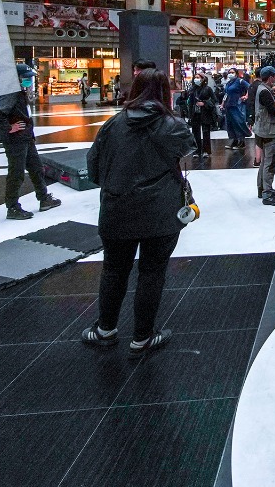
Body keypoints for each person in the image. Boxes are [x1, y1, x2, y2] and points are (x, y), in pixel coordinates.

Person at [82, 69, 194, 357]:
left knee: (114, 269)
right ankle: (142, 338)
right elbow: (184, 158)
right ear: (166, 92)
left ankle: (105, 330)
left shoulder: (112, 125)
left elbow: (94, 167)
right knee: (152, 273)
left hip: (117, 208)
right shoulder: (174, 125)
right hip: (161, 210)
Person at [0, 66, 62, 220]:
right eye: (26, 77)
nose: (29, 80)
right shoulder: (12, 93)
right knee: (16, 173)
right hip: (16, 140)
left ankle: (44, 198)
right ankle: (12, 207)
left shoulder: (20, 93)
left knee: (36, 168)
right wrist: (9, 128)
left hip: (25, 138)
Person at [252, 67, 275, 206]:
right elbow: (273, 111)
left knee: (265, 161)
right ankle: (268, 193)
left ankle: (262, 188)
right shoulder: (265, 92)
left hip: (261, 129)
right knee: (270, 162)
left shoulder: (262, 88)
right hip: (269, 130)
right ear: (270, 77)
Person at [179, 72, 218, 157]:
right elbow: (187, 100)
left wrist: (204, 103)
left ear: (203, 79)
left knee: (206, 132)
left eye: (198, 77)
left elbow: (214, 100)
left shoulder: (208, 89)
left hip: (205, 112)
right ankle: (197, 150)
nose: (196, 79)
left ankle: (206, 151)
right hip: (195, 113)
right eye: (195, 77)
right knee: (195, 132)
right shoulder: (192, 89)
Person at [223, 68, 251, 151]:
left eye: (232, 72)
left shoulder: (240, 81)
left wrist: (246, 96)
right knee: (230, 124)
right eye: (229, 72)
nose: (230, 74)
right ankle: (234, 141)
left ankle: (241, 142)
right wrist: (223, 103)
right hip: (229, 104)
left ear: (236, 73)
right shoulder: (229, 83)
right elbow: (226, 94)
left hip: (237, 105)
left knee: (238, 123)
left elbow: (250, 87)